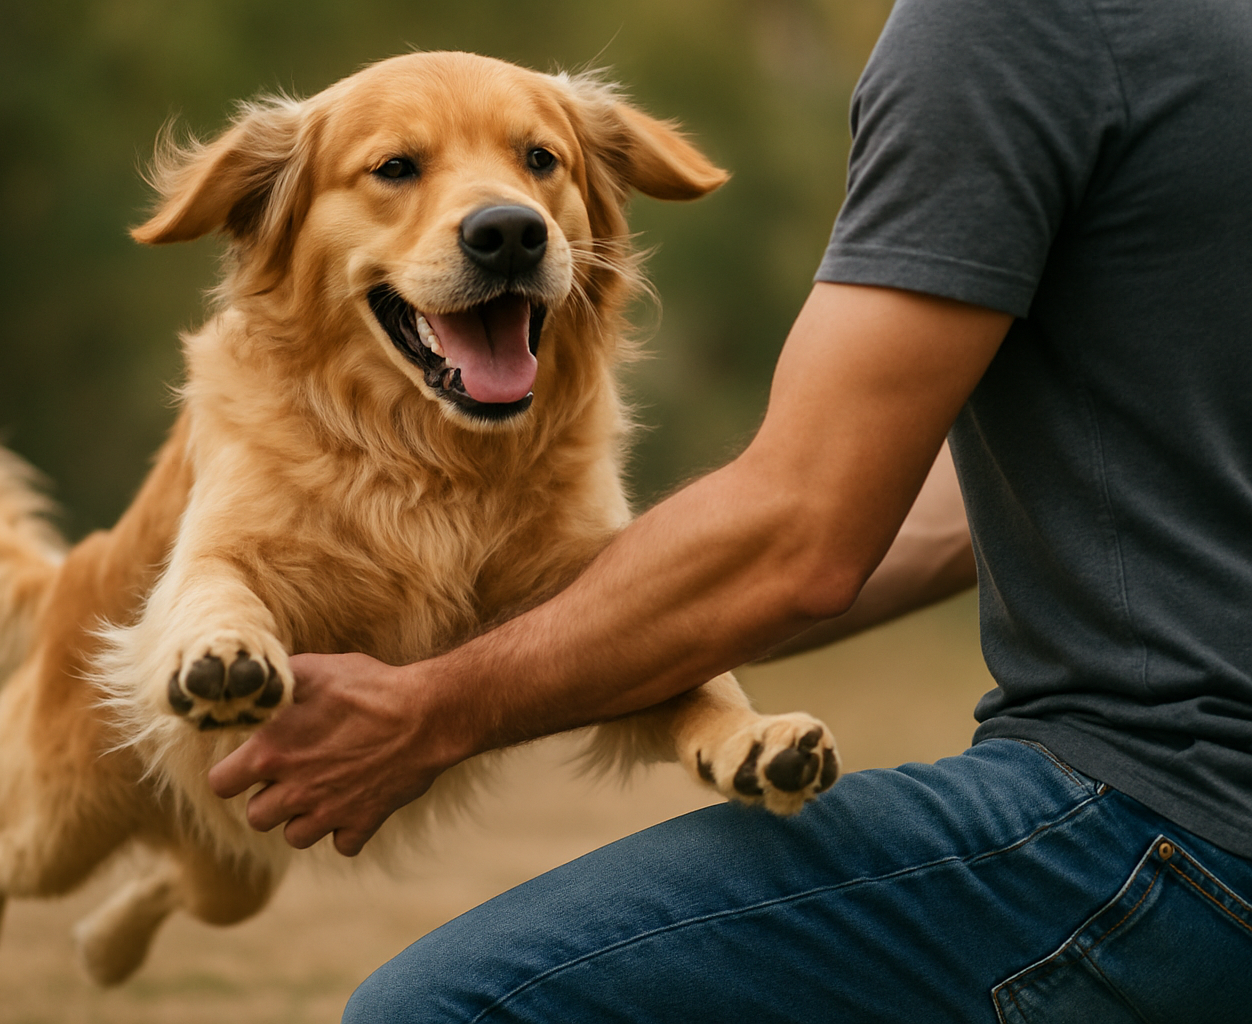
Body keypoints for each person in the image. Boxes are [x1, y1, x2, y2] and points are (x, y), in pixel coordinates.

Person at [211, 0, 1252, 1019]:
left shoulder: (1008, 25)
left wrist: (436, 706)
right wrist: (555, 627)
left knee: (445, 1009)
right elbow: (966, 508)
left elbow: (801, 532)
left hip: (1170, 824)